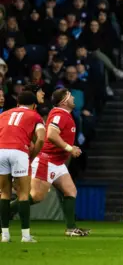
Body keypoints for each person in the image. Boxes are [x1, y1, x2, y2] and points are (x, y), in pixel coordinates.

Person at [11, 88, 88, 237]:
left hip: (57, 162)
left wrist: (68, 148)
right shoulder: (59, 114)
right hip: (47, 160)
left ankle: (71, 229)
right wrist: (69, 148)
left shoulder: (65, 115)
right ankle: (5, 211)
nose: (73, 98)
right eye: (70, 96)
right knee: (37, 196)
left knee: (70, 191)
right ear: (64, 100)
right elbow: (51, 134)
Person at [0, 91, 46, 243]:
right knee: (23, 194)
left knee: (4, 194)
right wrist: (31, 156)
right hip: (20, 151)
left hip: (1, 151)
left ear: (18, 103)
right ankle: (26, 236)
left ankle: (5, 235)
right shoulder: (35, 116)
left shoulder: (4, 114)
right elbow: (40, 139)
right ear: (34, 105)